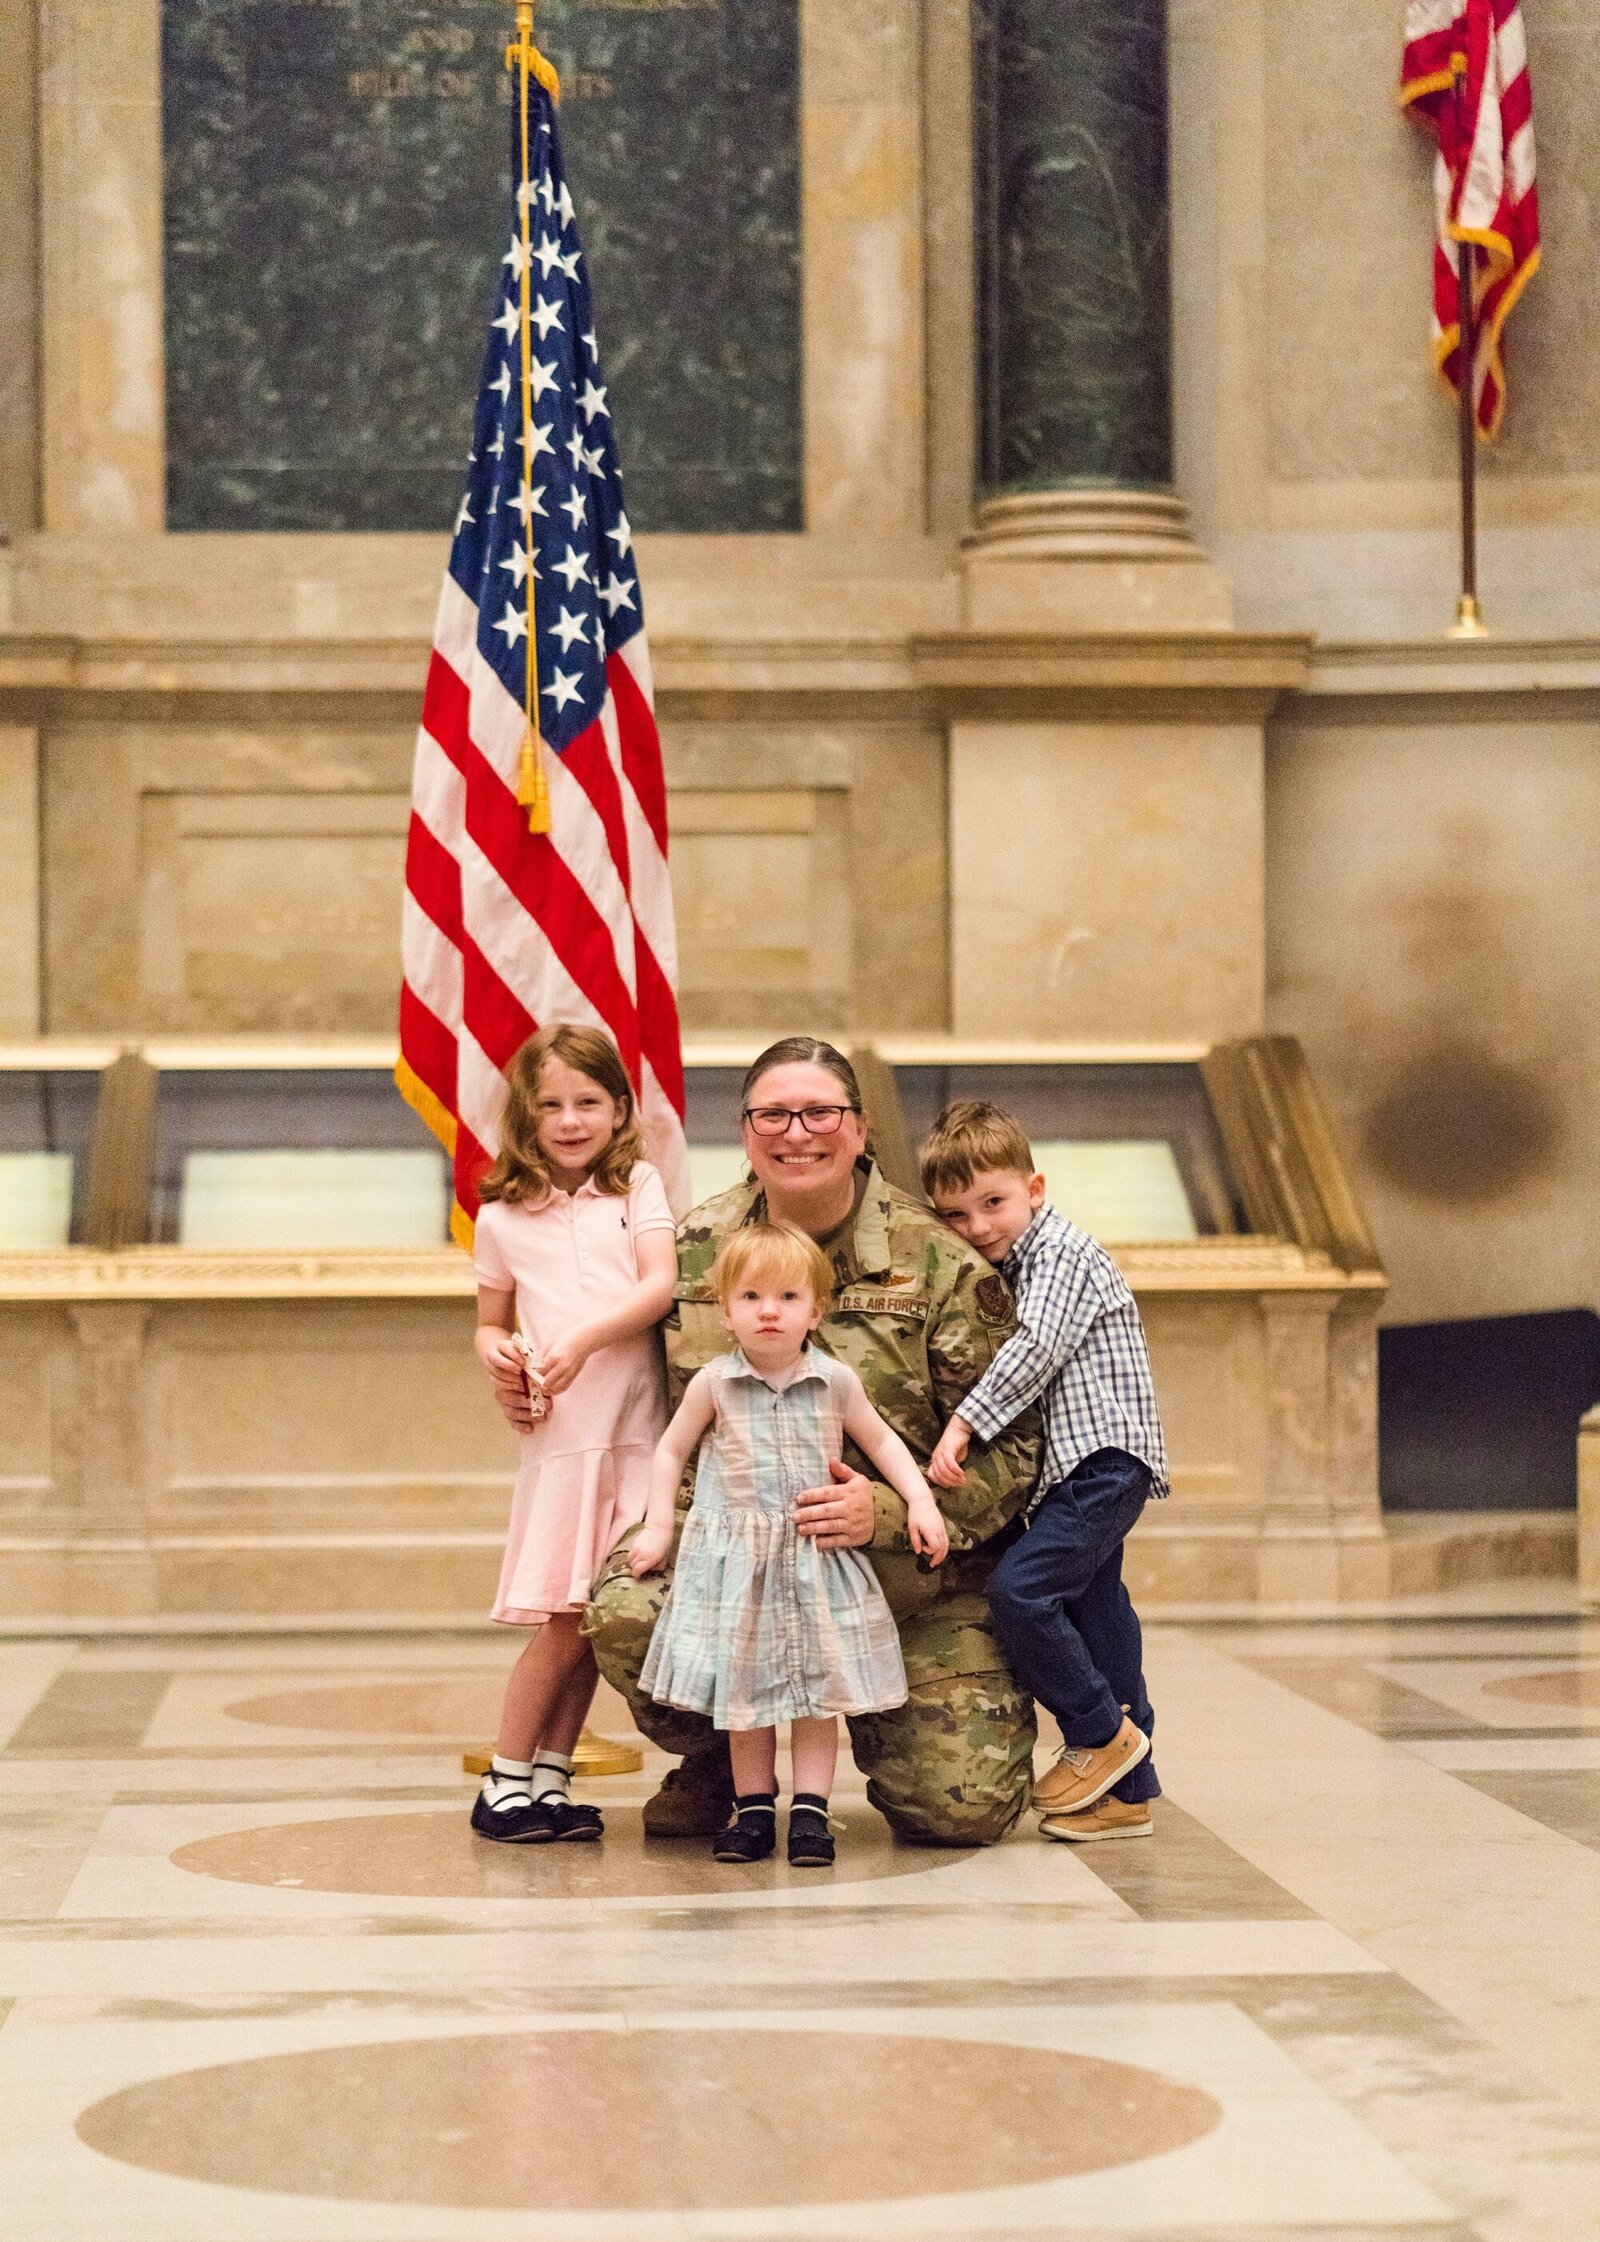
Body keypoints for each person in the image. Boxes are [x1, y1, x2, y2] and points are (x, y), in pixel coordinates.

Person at [556, 1037, 1043, 1848]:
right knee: (623, 1611)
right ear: (745, 1130)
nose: (796, 1133)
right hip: (737, 1563)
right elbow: (630, 1390)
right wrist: (526, 1369)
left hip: (903, 1578)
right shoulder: (694, 1251)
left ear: (859, 1129)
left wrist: (886, 1511)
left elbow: (1017, 1446)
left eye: (821, 1112)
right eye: (772, 1114)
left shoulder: (942, 1260)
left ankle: (865, 1732)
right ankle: (722, 1754)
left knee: (961, 1811)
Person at [630, 1221, 949, 1867]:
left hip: (813, 1558)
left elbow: (884, 1443)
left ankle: (811, 1812)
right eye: (750, 1297)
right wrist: (659, 1525)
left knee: (814, 1694)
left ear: (815, 1309)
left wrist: (919, 1500)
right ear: (724, 1311)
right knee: (745, 1702)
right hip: (739, 1565)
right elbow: (669, 1451)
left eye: (787, 1297)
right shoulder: (715, 1384)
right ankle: (753, 1808)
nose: (768, 1311)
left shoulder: (834, 1381)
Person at [922, 1098, 1166, 1843]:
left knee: (1020, 1592)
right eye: (956, 1216)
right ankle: (1131, 1792)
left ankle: (1100, 1733)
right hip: (1080, 1471)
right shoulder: (1019, 1261)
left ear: (1035, 1188)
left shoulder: (1062, 1253)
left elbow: (1037, 1348)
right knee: (1100, 1613)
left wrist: (964, 1422)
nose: (979, 1227)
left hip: (1104, 1463)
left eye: (993, 1203)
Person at [468, 1025, 679, 1845]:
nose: (569, 1120)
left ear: (619, 1108)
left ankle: (550, 1777)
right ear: (525, 1114)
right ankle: (504, 1780)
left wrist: (586, 1338)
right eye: (549, 1104)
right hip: (565, 1439)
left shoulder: (640, 1189)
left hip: (635, 1434)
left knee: (599, 1616)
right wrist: (503, 1362)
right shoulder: (501, 1217)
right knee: (564, 1621)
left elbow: (659, 1286)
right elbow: (487, 1325)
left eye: (587, 1102)